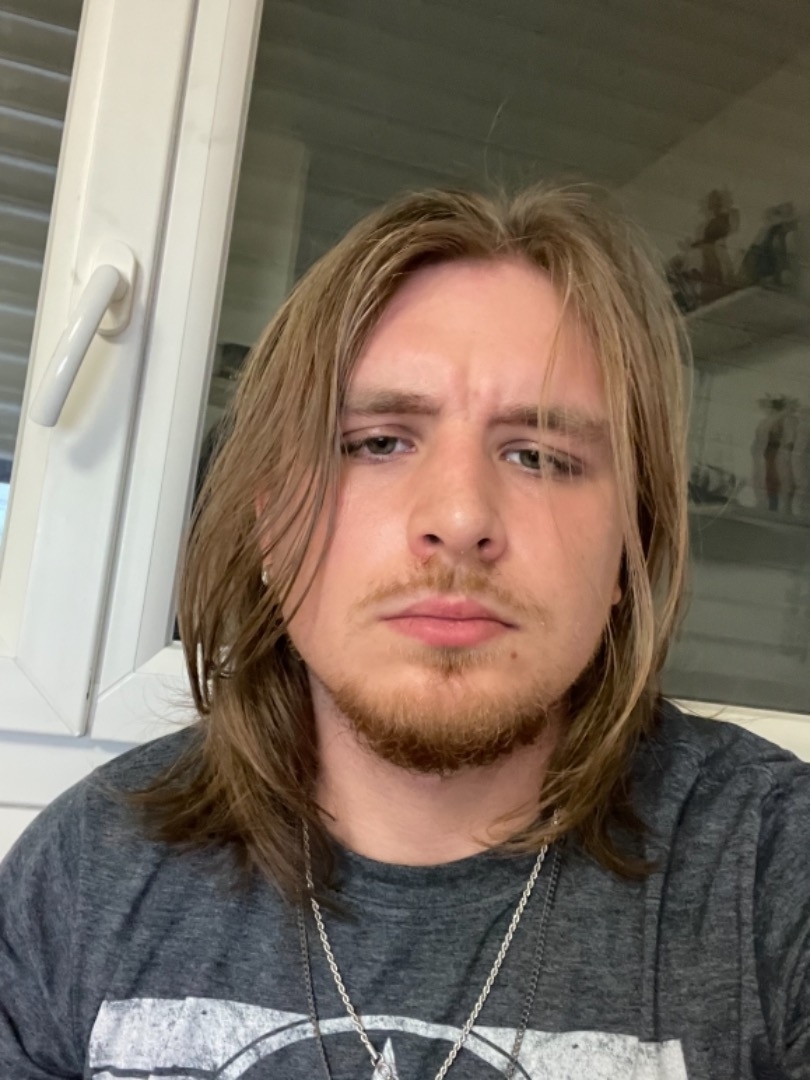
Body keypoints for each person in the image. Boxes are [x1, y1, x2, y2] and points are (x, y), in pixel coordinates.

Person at [1, 185, 808, 1080]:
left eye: (540, 457)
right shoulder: (83, 877)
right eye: (377, 442)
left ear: (628, 548)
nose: (460, 519)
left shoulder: (773, 870)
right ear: (268, 523)